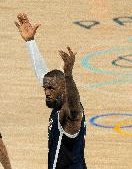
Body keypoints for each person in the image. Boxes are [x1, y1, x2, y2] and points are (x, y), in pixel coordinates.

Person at [15, 13, 87, 169]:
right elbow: (44, 76)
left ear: (63, 88)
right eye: (45, 88)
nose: (47, 92)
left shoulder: (69, 114)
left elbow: (75, 109)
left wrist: (68, 75)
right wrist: (30, 42)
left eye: (51, 89)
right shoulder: (58, 100)